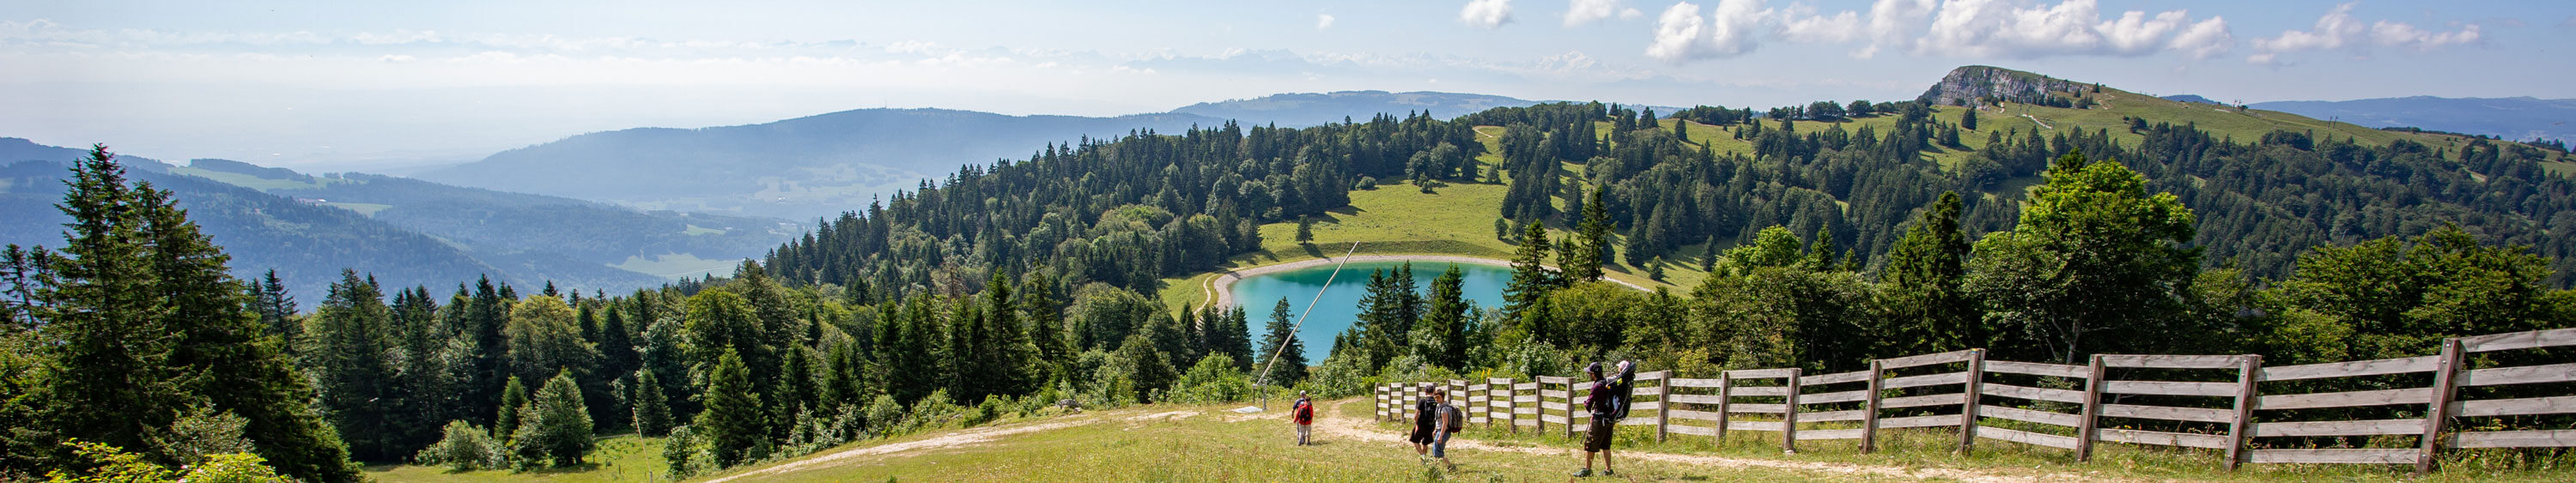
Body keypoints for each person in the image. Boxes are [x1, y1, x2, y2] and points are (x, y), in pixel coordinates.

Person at [1575, 360, 1635, 478]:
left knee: (1591, 443)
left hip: (1599, 419)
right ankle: (1608, 470)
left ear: (1594, 373)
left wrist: (1585, 403)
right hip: (1610, 418)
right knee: (1606, 445)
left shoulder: (1597, 386)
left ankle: (1587, 469)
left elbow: (1588, 406)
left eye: (1590, 373)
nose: (1589, 375)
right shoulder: (1608, 383)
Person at [1431, 388, 1461, 471]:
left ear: (1442, 397)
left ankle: (1451, 467)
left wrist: (1440, 436)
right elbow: (1438, 420)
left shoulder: (1444, 408)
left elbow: (1445, 423)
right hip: (1439, 431)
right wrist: (1435, 430)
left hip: (1444, 432)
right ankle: (1435, 468)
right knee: (1435, 450)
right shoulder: (1439, 406)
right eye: (1435, 397)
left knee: (1438, 452)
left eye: (1438, 397)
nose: (1436, 399)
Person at [1408, 385, 1438, 457]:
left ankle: (1422, 456)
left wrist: (1416, 422)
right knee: (1425, 443)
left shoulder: (1422, 401)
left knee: (1415, 441)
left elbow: (1416, 414)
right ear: (1434, 392)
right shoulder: (1436, 402)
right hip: (1431, 425)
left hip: (1421, 424)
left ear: (1425, 392)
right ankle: (1423, 460)